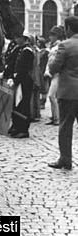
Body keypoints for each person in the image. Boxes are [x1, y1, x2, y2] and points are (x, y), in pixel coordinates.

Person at [48, 16, 78, 170]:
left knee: (65, 126)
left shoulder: (64, 46)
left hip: (68, 92)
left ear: (68, 29)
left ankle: (65, 159)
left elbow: (54, 68)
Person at [6, 32, 35, 138]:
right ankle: (16, 126)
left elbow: (24, 69)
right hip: (17, 80)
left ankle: (23, 129)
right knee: (15, 104)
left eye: (18, 37)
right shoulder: (18, 49)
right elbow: (11, 63)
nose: (16, 39)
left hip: (24, 81)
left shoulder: (27, 51)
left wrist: (15, 79)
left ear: (25, 38)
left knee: (23, 105)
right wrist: (7, 75)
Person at [44, 25, 64, 126]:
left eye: (52, 35)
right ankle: (54, 116)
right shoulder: (52, 46)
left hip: (57, 74)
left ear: (57, 36)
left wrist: (50, 71)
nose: (50, 37)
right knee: (52, 96)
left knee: (52, 96)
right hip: (51, 74)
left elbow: (56, 61)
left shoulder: (59, 46)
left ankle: (57, 118)